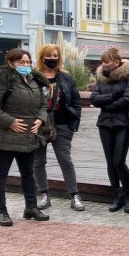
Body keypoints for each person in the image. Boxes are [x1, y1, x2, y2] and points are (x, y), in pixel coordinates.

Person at [0, 49, 50, 226]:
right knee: (0, 176)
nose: (26, 65)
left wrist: (41, 119)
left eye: (28, 62)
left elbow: (43, 104)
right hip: (6, 134)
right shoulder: (4, 79)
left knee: (28, 173)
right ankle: (1, 211)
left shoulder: (35, 79)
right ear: (11, 63)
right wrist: (9, 121)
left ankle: (31, 207)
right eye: (21, 62)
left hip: (29, 134)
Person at [33, 44, 84, 212]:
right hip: (39, 125)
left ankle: (74, 195)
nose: (52, 58)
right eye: (49, 56)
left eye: (55, 55)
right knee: (38, 161)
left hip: (62, 124)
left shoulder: (66, 78)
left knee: (65, 160)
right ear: (42, 57)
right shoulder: (34, 77)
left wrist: (73, 124)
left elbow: (76, 101)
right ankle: (44, 195)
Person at [90, 48, 129, 214]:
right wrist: (112, 98)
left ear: (116, 63)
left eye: (107, 62)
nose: (104, 64)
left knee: (119, 161)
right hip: (104, 124)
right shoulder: (101, 78)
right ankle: (116, 196)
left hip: (123, 124)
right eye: (102, 61)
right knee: (110, 162)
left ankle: (128, 196)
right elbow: (94, 99)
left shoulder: (128, 77)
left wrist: (108, 106)